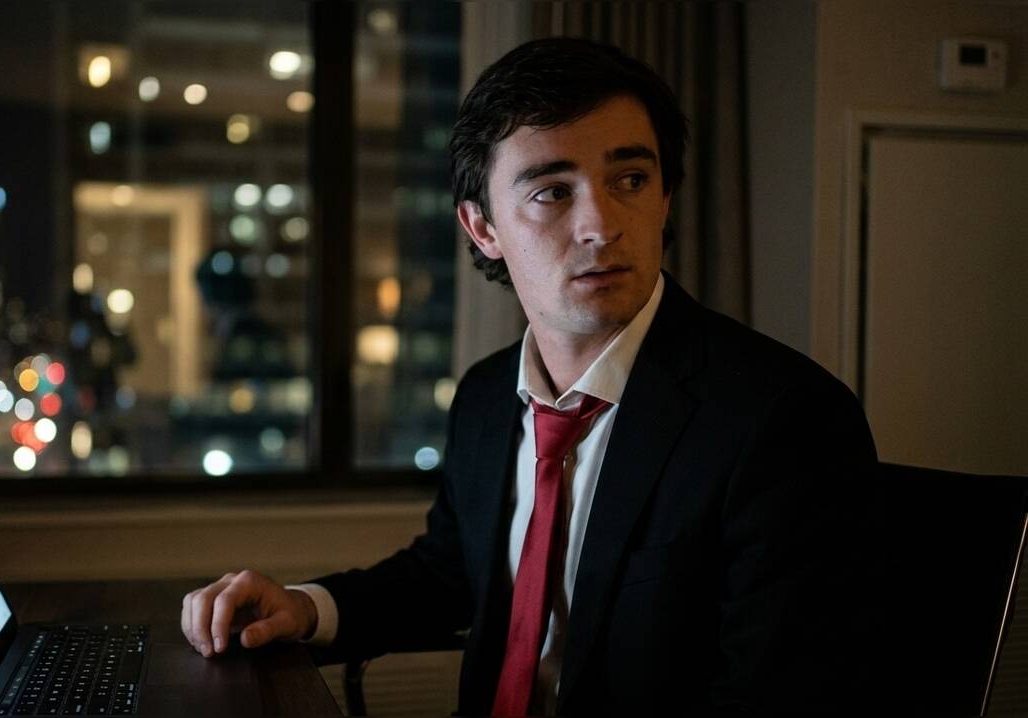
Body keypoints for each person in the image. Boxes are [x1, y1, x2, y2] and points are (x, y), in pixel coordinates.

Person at [181, 37, 877, 715]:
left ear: (666, 198)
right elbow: (452, 570)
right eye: (552, 192)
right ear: (482, 228)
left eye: (631, 181)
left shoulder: (785, 419)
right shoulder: (486, 396)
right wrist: (304, 607)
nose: (601, 225)